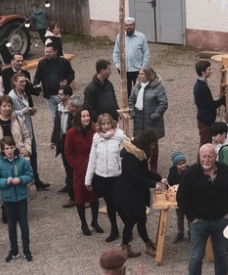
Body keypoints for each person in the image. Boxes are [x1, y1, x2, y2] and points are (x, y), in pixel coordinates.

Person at [177, 143, 228, 275]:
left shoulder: (224, 170)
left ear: (215, 156)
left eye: (210, 156)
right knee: (196, 256)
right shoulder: (190, 173)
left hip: (221, 221)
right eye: (204, 156)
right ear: (199, 156)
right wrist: (192, 217)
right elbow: (181, 197)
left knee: (222, 255)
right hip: (199, 222)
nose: (207, 159)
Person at [117, 130, 162, 256]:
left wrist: (159, 178)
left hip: (135, 193)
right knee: (135, 220)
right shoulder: (131, 156)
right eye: (152, 144)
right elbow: (136, 178)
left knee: (138, 219)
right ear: (147, 142)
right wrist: (154, 184)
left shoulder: (139, 153)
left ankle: (129, 247)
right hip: (130, 194)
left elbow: (144, 172)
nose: (153, 147)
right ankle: (135, 247)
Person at [86, 111, 127, 243]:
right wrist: (88, 178)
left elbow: (127, 155)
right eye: (103, 124)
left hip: (116, 176)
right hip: (102, 176)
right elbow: (92, 158)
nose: (106, 126)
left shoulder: (120, 136)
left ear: (112, 123)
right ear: (100, 125)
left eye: (108, 123)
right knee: (110, 204)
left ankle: (128, 226)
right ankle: (114, 230)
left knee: (119, 204)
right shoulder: (96, 137)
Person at [0, 136, 34, 262]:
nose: (9, 150)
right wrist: (5, 181)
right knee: (11, 224)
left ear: (15, 147)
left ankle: (26, 250)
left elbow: (30, 175)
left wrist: (20, 180)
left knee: (24, 224)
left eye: (11, 147)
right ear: (2, 150)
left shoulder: (22, 161)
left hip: (21, 197)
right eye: (7, 148)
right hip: (8, 199)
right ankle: (14, 250)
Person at [66, 105, 104, 237]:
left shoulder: (94, 131)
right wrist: (76, 164)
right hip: (80, 169)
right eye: (83, 116)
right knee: (80, 197)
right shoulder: (71, 133)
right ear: (78, 118)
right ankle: (84, 223)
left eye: (87, 115)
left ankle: (94, 221)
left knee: (94, 196)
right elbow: (68, 152)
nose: (86, 118)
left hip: (93, 167)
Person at [128, 64, 168, 171]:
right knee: (140, 143)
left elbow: (163, 103)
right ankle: (142, 166)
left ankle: (153, 167)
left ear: (148, 76)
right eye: (139, 73)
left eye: (141, 74)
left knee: (153, 145)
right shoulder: (137, 86)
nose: (138, 76)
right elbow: (131, 100)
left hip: (152, 122)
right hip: (139, 121)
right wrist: (132, 112)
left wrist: (154, 115)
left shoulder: (158, 87)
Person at [114, 16, 150, 89]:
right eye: (127, 25)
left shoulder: (141, 37)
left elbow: (146, 54)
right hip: (124, 70)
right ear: (124, 26)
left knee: (139, 90)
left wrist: (143, 67)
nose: (129, 27)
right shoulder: (119, 37)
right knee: (126, 91)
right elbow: (116, 53)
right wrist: (118, 66)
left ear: (134, 25)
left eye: (131, 25)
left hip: (137, 70)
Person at [192, 59, 218, 146]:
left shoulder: (201, 84)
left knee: (206, 143)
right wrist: (224, 97)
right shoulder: (202, 87)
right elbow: (212, 105)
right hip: (205, 120)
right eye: (209, 69)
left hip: (205, 118)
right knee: (205, 145)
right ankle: (200, 160)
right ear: (203, 72)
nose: (211, 71)